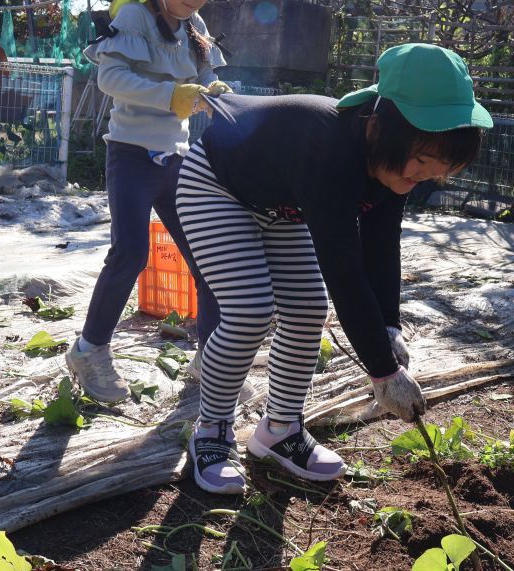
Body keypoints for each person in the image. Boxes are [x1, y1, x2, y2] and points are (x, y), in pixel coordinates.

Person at [175, 43, 493, 494]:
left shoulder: (395, 165)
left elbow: (381, 245)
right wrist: (382, 371)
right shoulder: (330, 150)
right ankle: (212, 431)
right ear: (382, 129)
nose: (423, 176)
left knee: (306, 310)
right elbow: (343, 268)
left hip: (281, 205)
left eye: (438, 169)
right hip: (217, 187)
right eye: (421, 161)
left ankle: (279, 431)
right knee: (249, 311)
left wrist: (388, 326)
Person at [65, 0, 230, 403]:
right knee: (131, 253)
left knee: (207, 258)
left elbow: (208, 80)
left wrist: (216, 94)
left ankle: (214, 356)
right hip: (132, 157)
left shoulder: (194, 28)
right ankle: (89, 351)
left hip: (177, 161)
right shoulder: (135, 19)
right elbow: (109, 80)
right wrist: (170, 96)